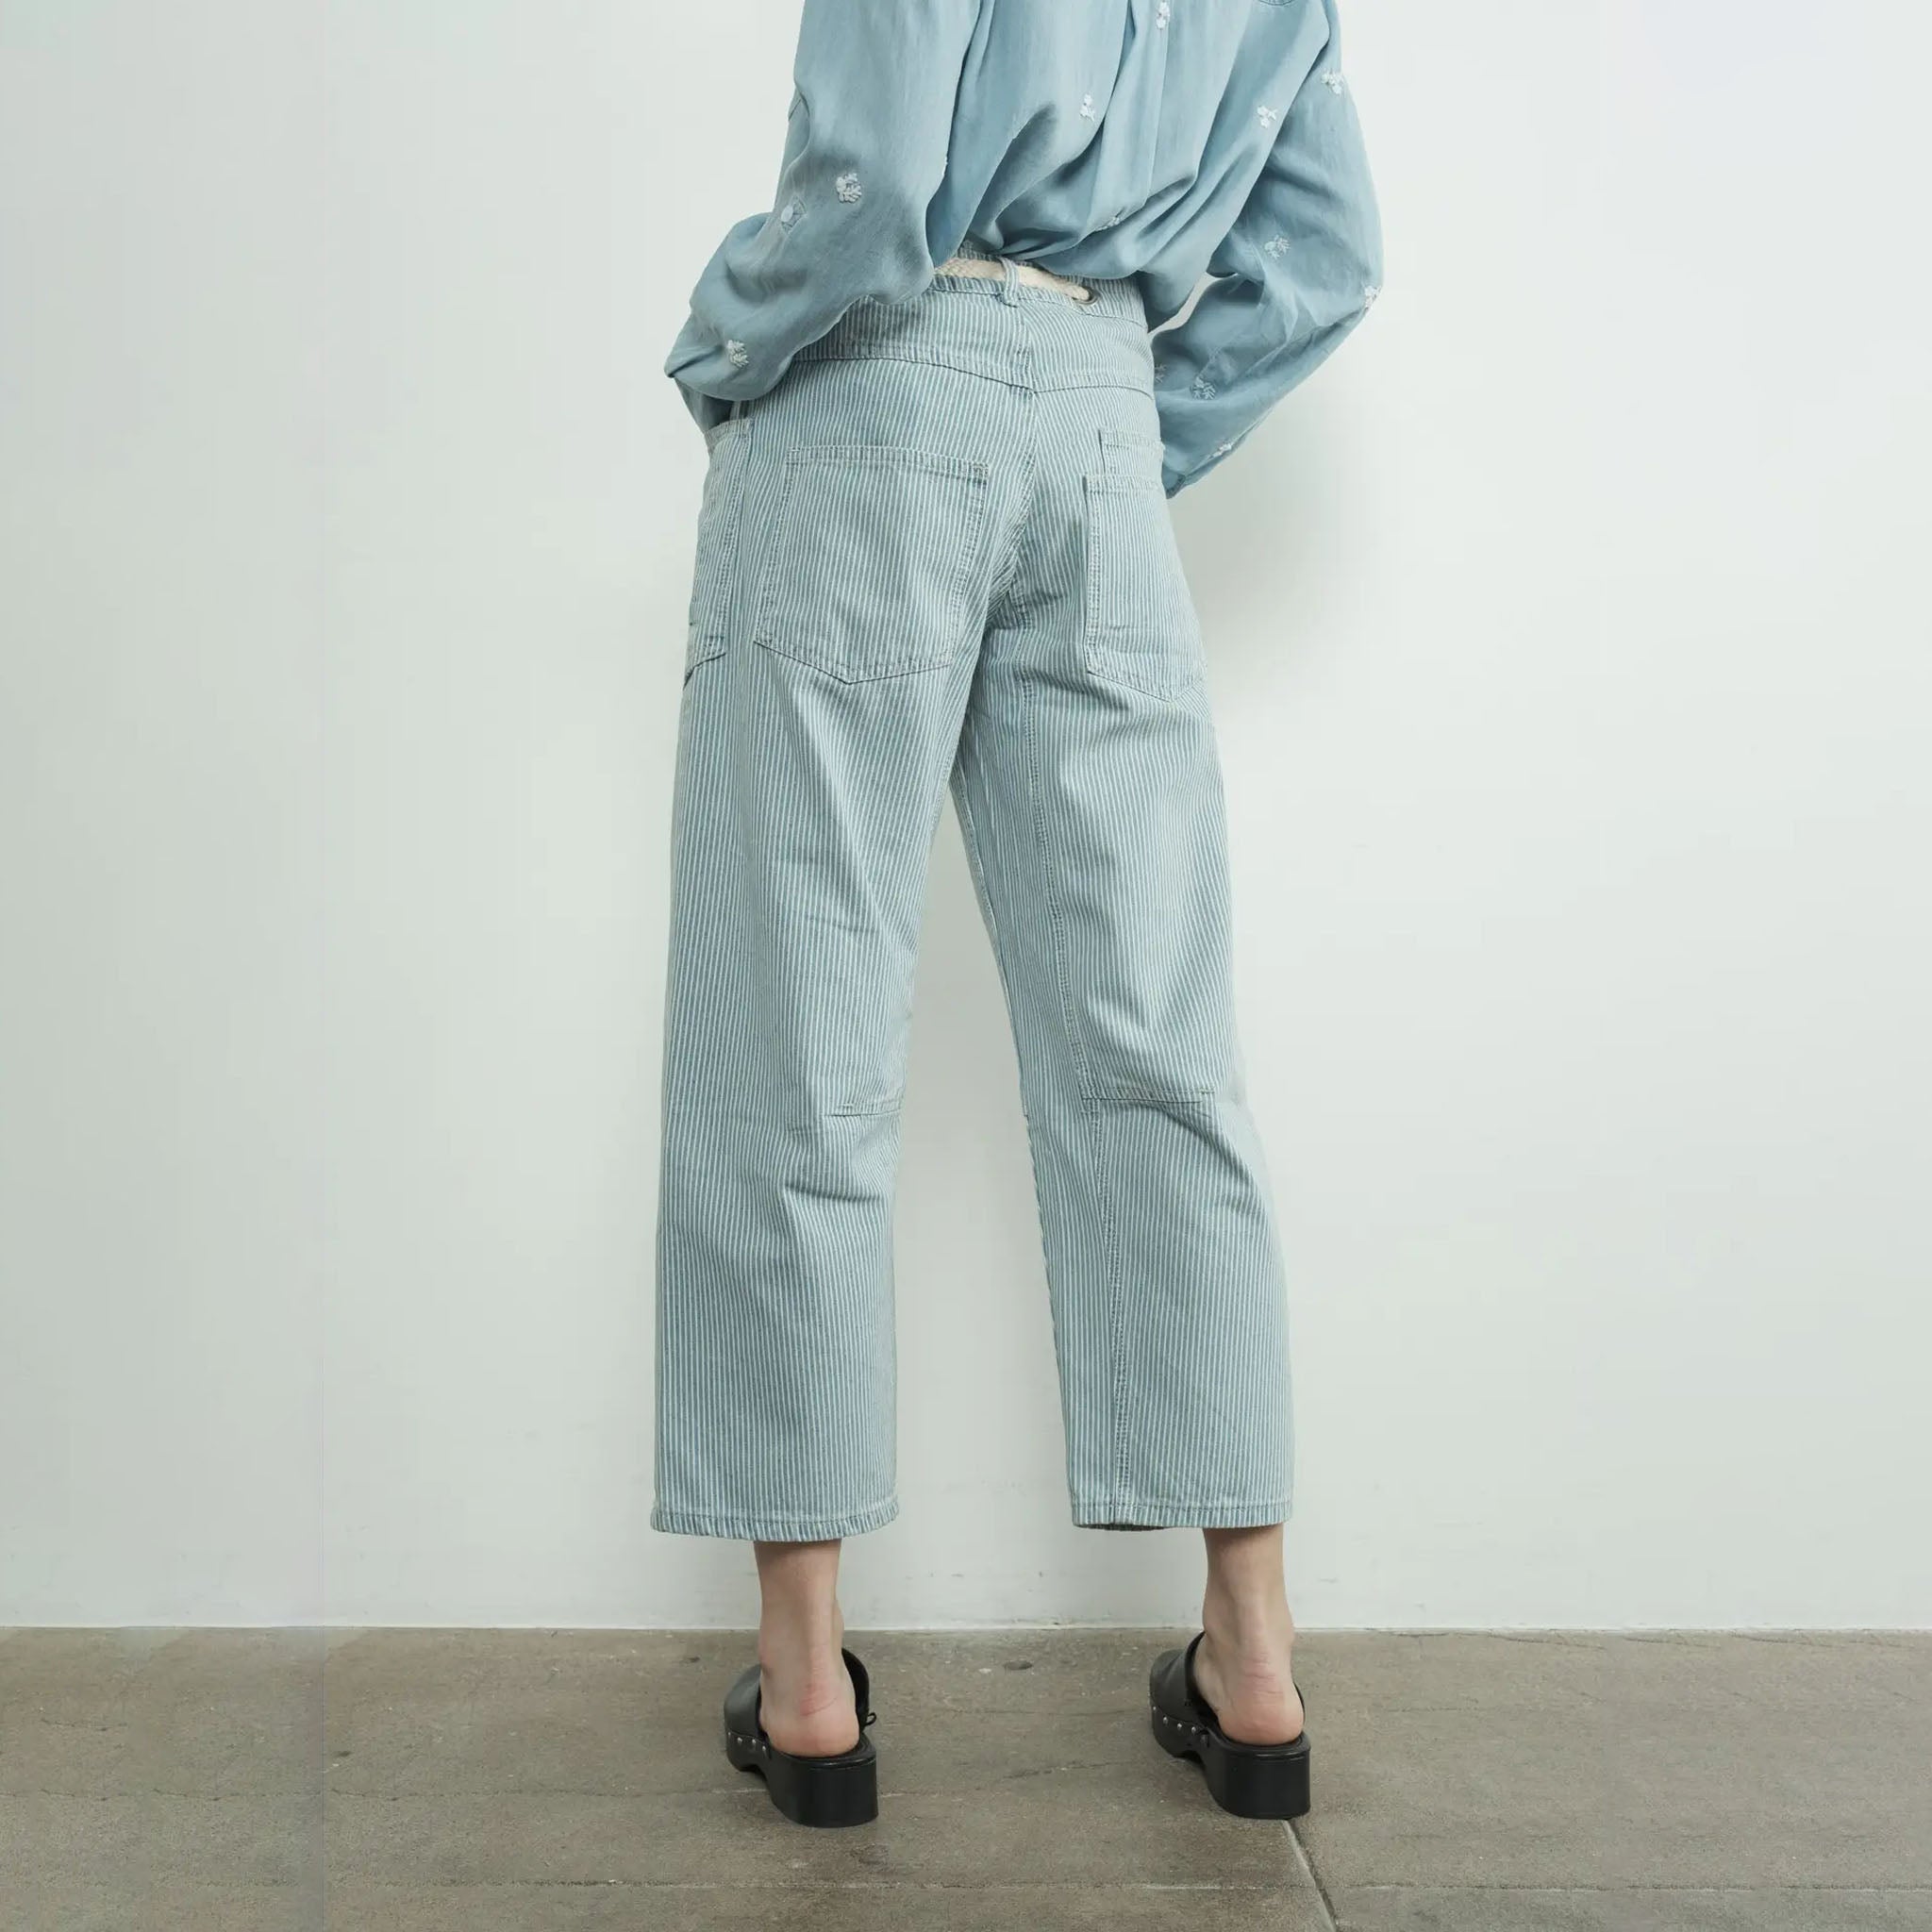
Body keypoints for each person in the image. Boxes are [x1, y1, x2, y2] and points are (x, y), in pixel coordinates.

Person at [655, 0, 1380, 1828]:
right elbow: (1324, 252)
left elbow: (878, 174)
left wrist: (730, 339)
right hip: (1100, 427)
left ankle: (810, 1683)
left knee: (796, 1036)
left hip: (869, 395)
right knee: (1156, 1049)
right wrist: (1113, 423)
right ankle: (1253, 1654)